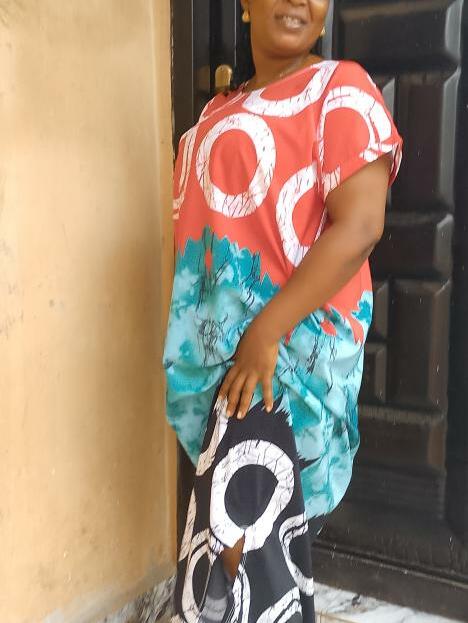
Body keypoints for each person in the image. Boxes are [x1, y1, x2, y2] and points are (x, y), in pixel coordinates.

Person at [163, 0, 403, 620]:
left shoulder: (340, 89)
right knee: (230, 556)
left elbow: (361, 226)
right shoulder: (219, 109)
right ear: (245, 5)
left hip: (280, 357)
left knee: (249, 557)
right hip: (222, 360)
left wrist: (265, 334)